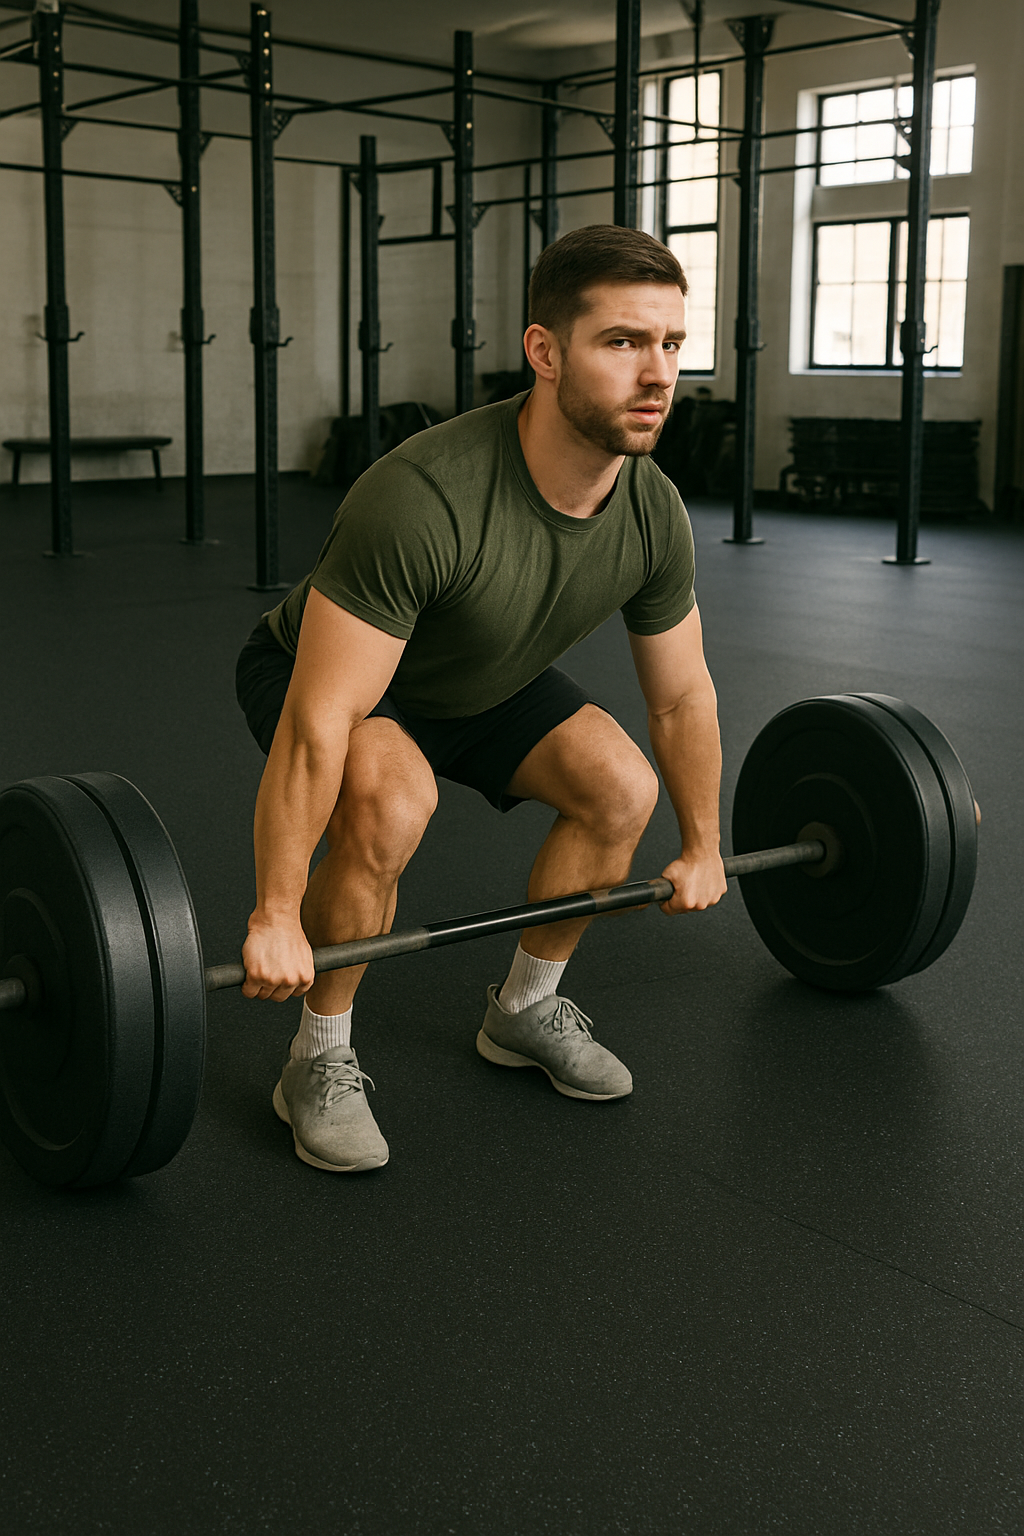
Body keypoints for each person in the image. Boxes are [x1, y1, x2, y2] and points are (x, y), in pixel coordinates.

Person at [234, 223, 728, 1173]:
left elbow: (681, 698)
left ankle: (525, 1009)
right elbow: (321, 719)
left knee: (623, 789)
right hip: (335, 680)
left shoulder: (652, 509)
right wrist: (275, 913)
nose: (658, 373)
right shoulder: (423, 495)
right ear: (545, 352)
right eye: (622, 342)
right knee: (389, 797)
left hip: (485, 675)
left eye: (671, 343)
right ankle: (316, 1058)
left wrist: (704, 843)